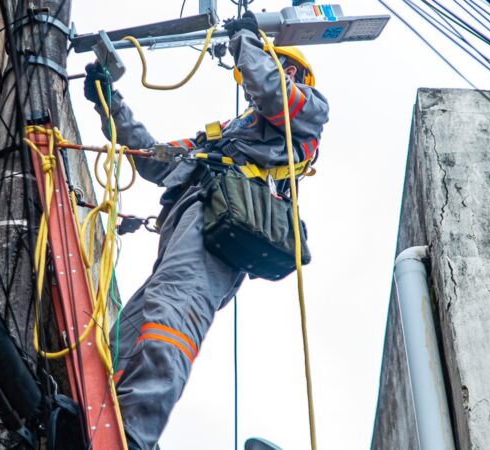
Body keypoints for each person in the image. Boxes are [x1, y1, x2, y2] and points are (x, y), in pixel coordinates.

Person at [82, 12, 329, 449]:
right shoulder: (223, 137)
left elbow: (272, 94)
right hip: (189, 228)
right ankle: (101, 427)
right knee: (125, 338)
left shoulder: (306, 113)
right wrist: (109, 102)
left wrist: (247, 40)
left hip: (219, 231)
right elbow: (154, 157)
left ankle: (133, 438)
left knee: (167, 324)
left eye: (279, 64)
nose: (272, 69)